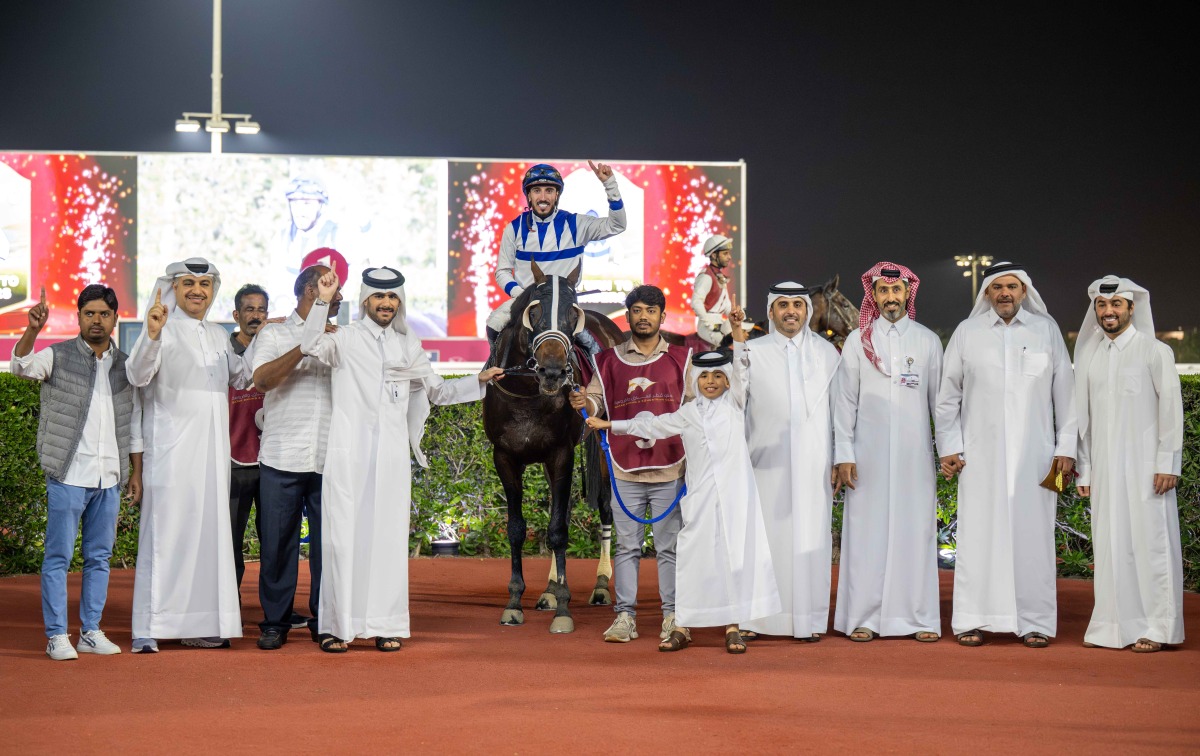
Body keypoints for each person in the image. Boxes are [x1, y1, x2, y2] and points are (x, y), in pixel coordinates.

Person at [300, 267, 503, 652]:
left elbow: (438, 393)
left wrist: (479, 381)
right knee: (343, 540)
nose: (386, 304)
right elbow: (309, 344)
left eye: (392, 297)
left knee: (387, 539)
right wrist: (323, 301)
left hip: (391, 457)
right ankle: (335, 626)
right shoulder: (343, 338)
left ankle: (384, 623)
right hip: (348, 455)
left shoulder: (408, 345)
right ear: (365, 300)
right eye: (379, 297)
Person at [586, 336, 780, 654]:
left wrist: (737, 331)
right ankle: (682, 626)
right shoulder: (687, 413)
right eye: (704, 376)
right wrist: (610, 424)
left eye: (718, 375)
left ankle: (733, 626)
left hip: (736, 501)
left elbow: (744, 369)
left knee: (733, 559)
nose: (711, 381)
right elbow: (652, 426)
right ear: (695, 380)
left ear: (727, 379)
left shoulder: (736, 404)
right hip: (699, 499)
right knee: (690, 559)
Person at [935, 262, 1076, 649]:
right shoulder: (968, 333)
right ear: (986, 294)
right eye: (996, 287)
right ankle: (973, 618)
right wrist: (950, 447)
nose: (1004, 294)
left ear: (1024, 291)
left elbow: (1066, 393)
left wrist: (1066, 448)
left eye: (1012, 286)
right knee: (980, 537)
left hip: (1036, 460)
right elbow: (948, 397)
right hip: (980, 460)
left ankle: (1035, 622)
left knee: (1034, 540)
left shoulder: (1046, 332)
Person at [125, 257, 255, 653]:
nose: (197, 290)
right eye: (188, 283)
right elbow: (137, 375)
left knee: (206, 539)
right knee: (164, 536)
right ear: (173, 289)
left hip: (212, 460)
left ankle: (196, 624)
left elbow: (242, 376)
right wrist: (151, 334)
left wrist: (267, 339)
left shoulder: (217, 335)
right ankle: (147, 627)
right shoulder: (158, 328)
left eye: (204, 283)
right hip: (171, 455)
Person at [11, 284, 143, 660]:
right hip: (68, 474)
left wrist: (134, 473)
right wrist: (33, 330)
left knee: (99, 559)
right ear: (80, 317)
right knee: (58, 558)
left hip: (109, 478)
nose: (96, 320)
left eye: (103, 313)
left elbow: (133, 424)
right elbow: (20, 367)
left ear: (115, 318)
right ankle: (56, 635)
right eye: (89, 313)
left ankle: (91, 630)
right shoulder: (58, 355)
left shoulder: (126, 365)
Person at [570, 285, 691, 644]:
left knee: (670, 548)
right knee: (627, 547)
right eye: (637, 310)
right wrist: (584, 403)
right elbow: (595, 403)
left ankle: (672, 615)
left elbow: (699, 409)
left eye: (650, 311)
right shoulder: (607, 361)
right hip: (625, 468)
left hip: (671, 466)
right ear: (628, 316)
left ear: (662, 317)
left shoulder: (682, 359)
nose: (643, 316)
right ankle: (625, 617)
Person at [832, 263, 943, 643]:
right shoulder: (856, 341)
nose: (891, 298)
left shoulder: (927, 341)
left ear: (908, 294)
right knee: (866, 535)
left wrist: (948, 451)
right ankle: (865, 617)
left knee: (917, 532)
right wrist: (843, 452)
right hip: (867, 457)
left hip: (914, 459)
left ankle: (919, 617)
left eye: (897, 291)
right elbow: (844, 402)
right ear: (873, 296)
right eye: (883, 291)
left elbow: (940, 404)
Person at [1075, 276, 1184, 652]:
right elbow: (1084, 421)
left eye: (1116, 305)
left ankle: (1158, 628)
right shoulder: (1090, 356)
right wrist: (1085, 469)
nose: (1108, 312)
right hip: (1104, 470)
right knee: (1110, 545)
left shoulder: (1155, 352)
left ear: (1131, 308)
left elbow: (1172, 412)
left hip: (1147, 471)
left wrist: (1168, 463)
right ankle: (1112, 627)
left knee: (1151, 544)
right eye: (1102, 306)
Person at [740, 282, 841, 641]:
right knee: (763, 541)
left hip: (815, 465)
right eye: (782, 305)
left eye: (797, 304)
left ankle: (808, 621)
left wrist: (841, 457)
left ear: (807, 310)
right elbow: (736, 405)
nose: (790, 311)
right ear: (770, 312)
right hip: (762, 464)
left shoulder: (827, 353)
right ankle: (757, 620)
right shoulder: (751, 351)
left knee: (810, 539)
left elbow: (839, 413)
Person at [250, 265, 342, 650]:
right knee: (276, 544)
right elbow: (262, 380)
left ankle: (327, 620)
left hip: (331, 458)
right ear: (310, 291)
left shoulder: (342, 338)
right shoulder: (274, 333)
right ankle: (275, 621)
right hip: (281, 455)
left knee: (329, 547)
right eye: (330, 289)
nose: (338, 297)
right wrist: (303, 345)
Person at [487, 161, 626, 360]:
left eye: (549, 190)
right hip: (527, 301)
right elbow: (502, 271)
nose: (543, 197)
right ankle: (494, 370)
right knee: (494, 322)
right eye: (536, 190)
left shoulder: (577, 223)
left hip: (565, 302)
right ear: (529, 195)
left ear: (557, 194)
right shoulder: (514, 228)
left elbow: (618, 225)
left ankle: (598, 379)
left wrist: (610, 184)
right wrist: (522, 295)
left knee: (590, 344)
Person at [228, 284, 268, 590]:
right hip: (232, 462)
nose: (256, 316)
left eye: (261, 309)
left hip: (271, 462)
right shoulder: (221, 352)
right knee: (230, 541)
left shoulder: (274, 350)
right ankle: (229, 606)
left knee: (276, 540)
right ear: (236, 314)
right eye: (249, 309)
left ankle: (276, 613)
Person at [691, 235, 734, 348]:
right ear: (714, 255)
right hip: (707, 325)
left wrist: (738, 316)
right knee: (728, 346)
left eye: (729, 253)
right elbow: (696, 303)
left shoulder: (719, 276)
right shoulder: (706, 276)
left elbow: (726, 305)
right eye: (725, 254)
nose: (729, 257)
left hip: (719, 321)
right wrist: (708, 323)